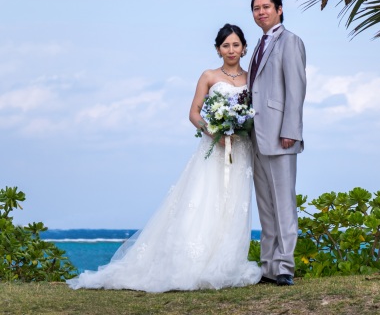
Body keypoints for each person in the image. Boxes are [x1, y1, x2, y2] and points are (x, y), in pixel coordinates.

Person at [67, 24, 261, 292]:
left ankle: (226, 263)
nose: (231, 50)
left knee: (234, 203)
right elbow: (194, 113)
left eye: (236, 45)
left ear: (244, 47)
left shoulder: (251, 78)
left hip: (240, 150)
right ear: (218, 49)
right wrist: (214, 131)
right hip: (213, 149)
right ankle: (193, 263)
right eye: (225, 45)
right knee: (204, 201)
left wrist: (240, 127)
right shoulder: (208, 76)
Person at [249, 0, 307, 286]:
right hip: (257, 138)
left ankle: (285, 266)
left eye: (266, 7)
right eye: (256, 8)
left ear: (279, 9)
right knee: (266, 207)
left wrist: (290, 131)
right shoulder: (258, 45)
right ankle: (269, 266)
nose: (261, 12)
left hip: (281, 136)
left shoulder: (290, 41)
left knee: (284, 204)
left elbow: (296, 89)